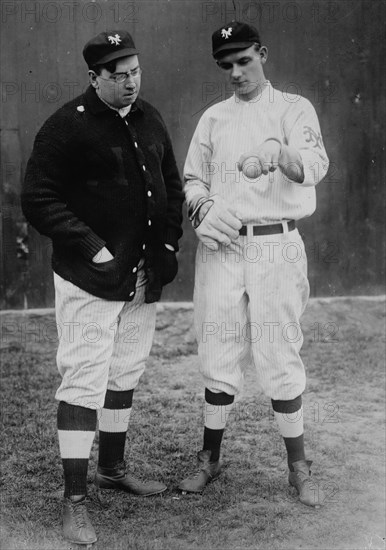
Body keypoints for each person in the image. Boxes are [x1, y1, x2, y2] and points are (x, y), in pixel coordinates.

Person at [21, 30, 184, 544]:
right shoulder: (66, 127)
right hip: (89, 278)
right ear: (95, 78)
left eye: (135, 71)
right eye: (118, 75)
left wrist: (169, 247)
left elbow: (172, 187)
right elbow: (38, 197)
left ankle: (112, 470)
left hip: (141, 277)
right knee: (83, 378)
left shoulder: (150, 117)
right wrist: (93, 245)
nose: (130, 82)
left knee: (125, 369)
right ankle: (74, 500)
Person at [180, 21, 329, 508]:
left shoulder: (293, 108)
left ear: (262, 53)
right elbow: (192, 180)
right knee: (218, 350)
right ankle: (210, 458)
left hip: (276, 244)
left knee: (279, 353)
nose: (237, 72)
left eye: (244, 60)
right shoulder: (213, 118)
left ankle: (298, 467)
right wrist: (201, 206)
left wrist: (279, 151)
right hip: (223, 246)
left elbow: (315, 164)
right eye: (227, 65)